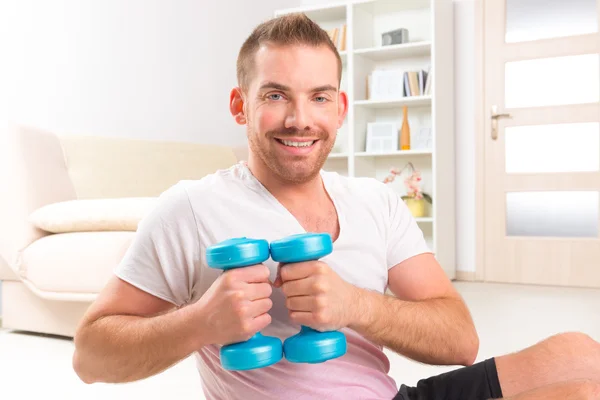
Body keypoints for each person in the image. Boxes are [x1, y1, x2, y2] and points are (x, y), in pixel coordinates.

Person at [72, 13, 600, 400]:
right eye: (276, 95)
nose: (300, 119)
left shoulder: (375, 201)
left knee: (581, 352)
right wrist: (200, 323)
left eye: (319, 97)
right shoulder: (190, 207)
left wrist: (358, 306)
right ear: (241, 105)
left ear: (341, 108)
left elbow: (460, 340)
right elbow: (89, 356)